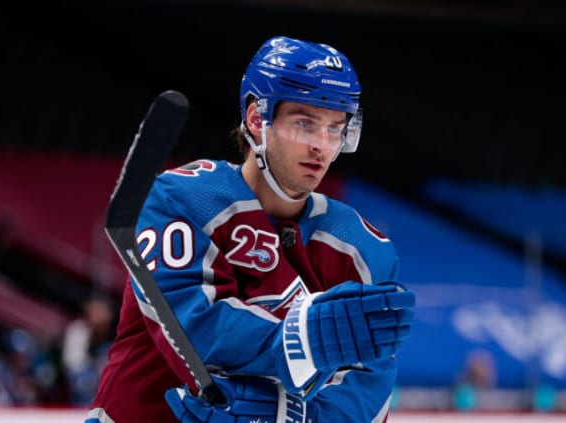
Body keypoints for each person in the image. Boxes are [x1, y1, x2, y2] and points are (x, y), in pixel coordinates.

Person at [86, 35, 415, 423]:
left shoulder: (362, 249)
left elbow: (369, 387)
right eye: (306, 124)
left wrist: (297, 418)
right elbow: (199, 328)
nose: (322, 147)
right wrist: (304, 340)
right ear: (258, 119)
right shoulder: (182, 200)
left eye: (334, 129)